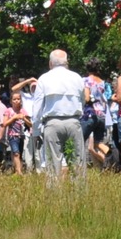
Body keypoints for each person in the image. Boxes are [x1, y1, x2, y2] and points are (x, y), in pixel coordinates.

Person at [35, 49, 88, 183]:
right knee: (77, 161)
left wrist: (36, 130)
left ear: (50, 63)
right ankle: (80, 193)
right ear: (66, 63)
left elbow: (37, 108)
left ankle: (54, 195)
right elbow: (83, 100)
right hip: (73, 121)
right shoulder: (76, 77)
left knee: (53, 163)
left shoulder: (44, 78)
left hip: (52, 123)